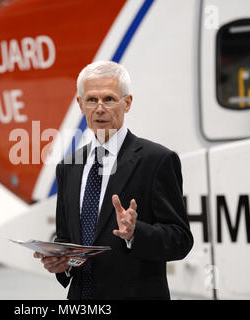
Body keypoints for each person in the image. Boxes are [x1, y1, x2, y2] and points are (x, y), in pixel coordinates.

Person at [33, 61, 193, 300]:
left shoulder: (157, 160)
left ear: (127, 103)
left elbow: (180, 239)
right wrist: (61, 263)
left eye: (109, 99)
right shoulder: (68, 167)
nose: (99, 109)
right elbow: (66, 237)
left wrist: (135, 233)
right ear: (80, 104)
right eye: (91, 100)